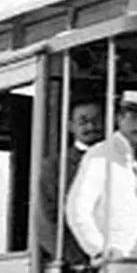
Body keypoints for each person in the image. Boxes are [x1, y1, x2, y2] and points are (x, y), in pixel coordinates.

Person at [65, 89, 137, 261]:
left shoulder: (132, 161)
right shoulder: (101, 155)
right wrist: (99, 249)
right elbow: (77, 210)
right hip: (111, 263)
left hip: (135, 263)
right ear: (119, 119)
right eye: (133, 118)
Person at [36, 98, 105, 260]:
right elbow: (47, 221)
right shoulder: (55, 166)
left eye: (97, 121)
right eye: (83, 121)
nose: (91, 127)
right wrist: (81, 259)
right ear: (70, 126)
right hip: (78, 264)